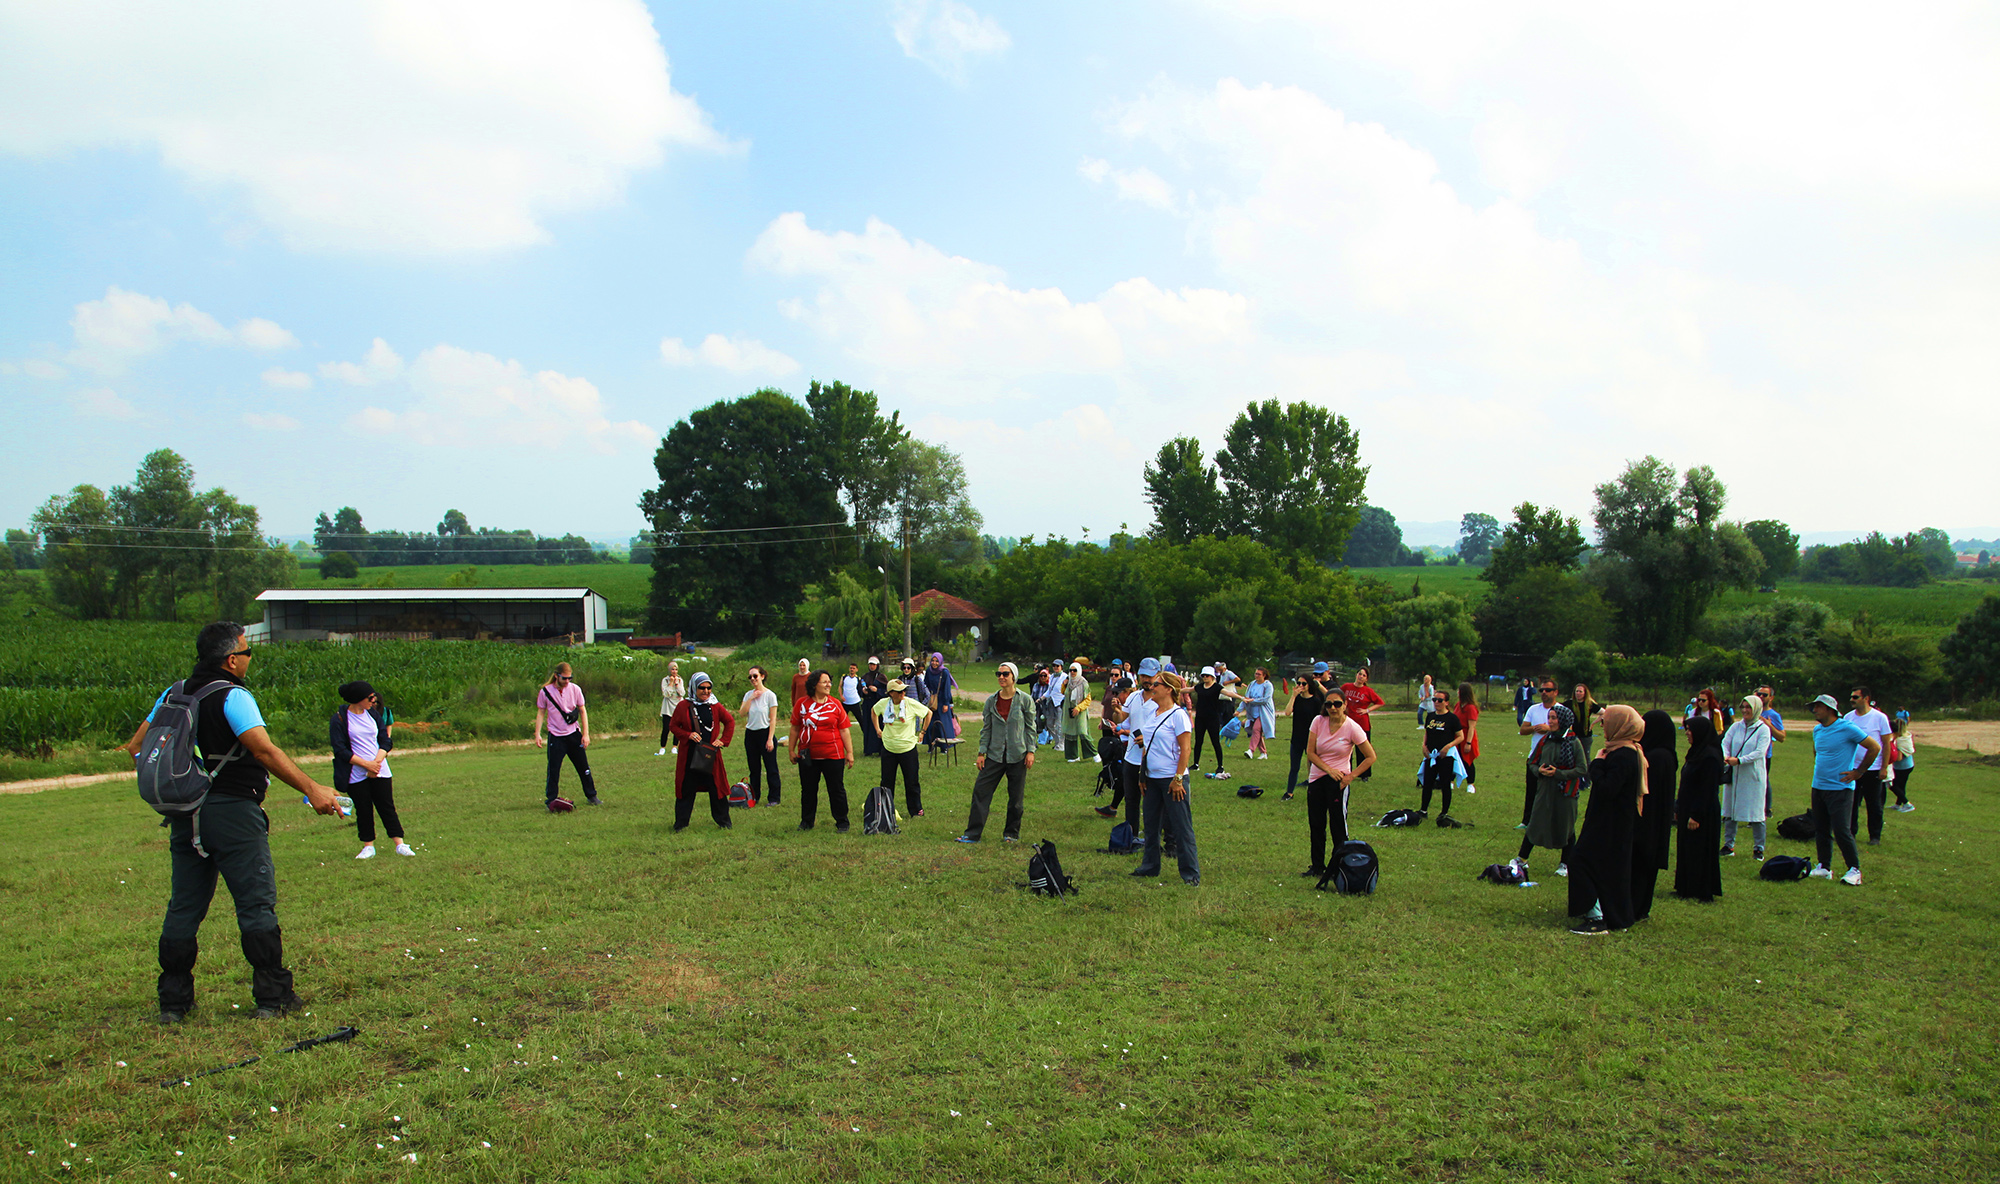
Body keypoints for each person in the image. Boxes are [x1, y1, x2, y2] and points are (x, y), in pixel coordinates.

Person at [121, 621, 339, 1023]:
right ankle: (273, 998)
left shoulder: (174, 692)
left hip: (186, 815)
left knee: (184, 906)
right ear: (232, 659)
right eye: (247, 651)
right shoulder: (233, 695)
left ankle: (174, 1003)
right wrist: (312, 789)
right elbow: (264, 751)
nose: (249, 658)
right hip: (233, 813)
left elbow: (137, 748)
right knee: (255, 903)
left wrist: (188, 781)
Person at [1567, 704, 1647, 935]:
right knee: (1610, 868)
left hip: (1609, 823)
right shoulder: (1624, 751)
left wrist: (1598, 764)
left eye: (1606, 722)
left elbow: (1608, 789)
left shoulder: (1624, 755)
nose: (1603, 727)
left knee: (1580, 861)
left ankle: (1597, 917)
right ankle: (1616, 916)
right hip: (1612, 821)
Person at [1129, 670, 1202, 886]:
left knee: (1181, 826)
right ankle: (1150, 866)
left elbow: (1185, 749)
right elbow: (1147, 747)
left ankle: (1190, 873)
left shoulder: (1179, 715)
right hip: (1152, 778)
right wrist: (1143, 774)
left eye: (1157, 684)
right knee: (1151, 825)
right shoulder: (1154, 713)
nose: (1152, 686)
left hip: (1172, 779)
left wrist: (1178, 778)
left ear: (1169, 689)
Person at [328, 680, 411, 860]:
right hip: (356, 772)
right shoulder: (340, 719)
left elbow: (385, 740)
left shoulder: (373, 715)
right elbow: (340, 749)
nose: (374, 701)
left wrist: (377, 762)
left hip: (380, 769)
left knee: (386, 806)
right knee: (363, 808)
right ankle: (368, 846)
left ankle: (400, 844)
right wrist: (366, 765)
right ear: (358, 699)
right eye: (370, 697)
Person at [958, 662, 1037, 843]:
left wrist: (1030, 751)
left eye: (1005, 674)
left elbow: (1031, 729)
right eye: (998, 674)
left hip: (1018, 755)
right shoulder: (991, 701)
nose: (1001, 677)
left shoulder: (1025, 700)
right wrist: (981, 753)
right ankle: (972, 834)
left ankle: (1011, 834)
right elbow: (986, 729)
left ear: (1013, 677)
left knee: (1015, 799)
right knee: (981, 791)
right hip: (994, 755)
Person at [1300, 693, 1377, 878]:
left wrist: (1350, 777)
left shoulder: (1352, 727)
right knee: (1316, 824)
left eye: (1337, 704)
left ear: (1345, 705)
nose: (1333, 708)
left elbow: (1370, 757)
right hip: (1318, 777)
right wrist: (1327, 769)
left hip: (1339, 782)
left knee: (1338, 825)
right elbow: (1310, 752)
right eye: (1329, 704)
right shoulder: (1318, 721)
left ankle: (1340, 866)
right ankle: (1317, 866)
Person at [1807, 693, 1877, 884]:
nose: (1814, 710)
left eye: (1817, 707)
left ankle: (1854, 870)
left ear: (1830, 709)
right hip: (1819, 786)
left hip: (1840, 788)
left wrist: (1859, 772)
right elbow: (1817, 752)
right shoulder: (1817, 730)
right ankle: (1824, 866)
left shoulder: (1847, 728)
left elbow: (1874, 747)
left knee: (1841, 830)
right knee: (1821, 829)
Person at [1507, 702, 1581, 881]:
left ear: (1563, 720)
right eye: (1549, 717)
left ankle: (1566, 863)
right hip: (1545, 789)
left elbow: (1582, 769)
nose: (1550, 721)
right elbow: (1532, 762)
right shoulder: (1545, 739)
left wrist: (1559, 773)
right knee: (1535, 821)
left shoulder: (1573, 742)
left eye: (1554, 718)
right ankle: (1522, 858)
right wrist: (1538, 770)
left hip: (1565, 792)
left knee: (1566, 827)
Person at [670, 672, 735, 831]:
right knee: (686, 790)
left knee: (717, 790)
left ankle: (724, 823)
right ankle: (681, 824)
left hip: (710, 755)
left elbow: (729, 721)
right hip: (689, 756)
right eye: (702, 688)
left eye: (708, 688)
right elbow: (673, 726)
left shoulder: (715, 705)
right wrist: (687, 735)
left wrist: (723, 740)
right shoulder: (683, 706)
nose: (706, 691)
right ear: (694, 687)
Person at [790, 671, 854, 831]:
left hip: (833, 754)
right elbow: (795, 728)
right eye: (824, 682)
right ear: (814, 685)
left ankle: (842, 822)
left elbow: (845, 730)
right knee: (808, 790)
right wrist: (791, 750)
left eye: (829, 682)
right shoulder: (801, 704)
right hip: (807, 754)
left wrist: (850, 753)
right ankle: (806, 822)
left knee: (836, 789)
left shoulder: (835, 704)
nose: (828, 685)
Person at [1631, 710, 1678, 923]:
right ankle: (1641, 908)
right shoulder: (1666, 754)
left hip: (1647, 820)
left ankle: (1636, 907)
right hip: (1656, 820)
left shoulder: (1657, 757)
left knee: (1640, 866)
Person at [1673, 713, 1725, 902]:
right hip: (1688, 807)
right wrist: (1679, 808)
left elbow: (1707, 790)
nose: (1687, 733)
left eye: (1690, 730)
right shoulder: (1696, 752)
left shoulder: (1710, 757)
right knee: (1686, 848)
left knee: (1700, 849)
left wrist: (1696, 815)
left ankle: (1701, 888)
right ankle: (1685, 886)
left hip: (1701, 811)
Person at [534, 662, 598, 809]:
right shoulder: (545, 692)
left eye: (570, 678)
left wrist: (586, 734)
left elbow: (582, 710)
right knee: (554, 769)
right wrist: (538, 734)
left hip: (574, 734)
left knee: (583, 767)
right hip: (556, 736)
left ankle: (592, 795)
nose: (567, 681)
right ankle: (551, 799)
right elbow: (541, 712)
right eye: (564, 678)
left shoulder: (575, 689)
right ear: (557, 676)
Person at [1720, 696, 1773, 860]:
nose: (1744, 710)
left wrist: (1740, 760)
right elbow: (1725, 743)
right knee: (1730, 809)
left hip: (1752, 776)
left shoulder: (1763, 729)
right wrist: (1726, 757)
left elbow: (1760, 752)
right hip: (1734, 773)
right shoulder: (1736, 727)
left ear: (1756, 708)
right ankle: (1729, 845)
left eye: (1748, 707)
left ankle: (1758, 848)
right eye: (1742, 707)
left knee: (1756, 812)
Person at [1844, 686, 1894, 845]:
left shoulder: (1879, 718)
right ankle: (1850, 833)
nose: (1852, 700)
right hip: (1853, 768)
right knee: (1851, 803)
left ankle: (1875, 836)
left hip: (1873, 769)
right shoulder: (1848, 717)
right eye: (1851, 697)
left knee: (1874, 805)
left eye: (1855, 697)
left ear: (1866, 698)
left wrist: (1884, 767)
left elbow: (1886, 744)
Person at [875, 677, 931, 817]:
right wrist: (878, 729)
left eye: (904, 691)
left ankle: (916, 810)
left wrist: (922, 732)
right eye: (899, 691)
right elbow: (873, 711)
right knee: (886, 782)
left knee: (912, 781)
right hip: (889, 748)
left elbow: (928, 713)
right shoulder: (883, 704)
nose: (902, 694)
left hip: (908, 749)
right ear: (890, 693)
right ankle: (886, 810)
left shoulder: (910, 704)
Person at [1283, 662, 1335, 800]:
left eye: (1303, 684)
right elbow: (1287, 712)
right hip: (1297, 738)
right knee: (1294, 767)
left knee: (1314, 767)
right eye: (1299, 683)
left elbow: (1322, 720)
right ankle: (1289, 793)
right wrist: (1293, 696)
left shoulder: (1316, 701)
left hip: (1311, 739)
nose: (1300, 686)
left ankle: (1315, 792)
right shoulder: (1297, 699)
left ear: (1309, 686)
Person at [1417, 689, 1466, 827]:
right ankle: (1423, 809)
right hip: (1431, 755)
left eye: (1440, 700)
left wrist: (1448, 746)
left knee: (1445, 783)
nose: (1436, 703)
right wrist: (1423, 745)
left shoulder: (1452, 718)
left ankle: (1443, 812)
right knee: (1427, 782)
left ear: (1446, 703)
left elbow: (1460, 736)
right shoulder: (1430, 716)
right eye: (1434, 700)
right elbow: (1427, 732)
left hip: (1445, 756)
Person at [1517, 679, 1559, 828]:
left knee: (1551, 791)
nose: (1544, 693)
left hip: (1554, 756)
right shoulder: (1533, 709)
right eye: (1542, 690)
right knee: (1531, 790)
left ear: (1556, 692)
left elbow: (1568, 732)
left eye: (1548, 690)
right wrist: (1535, 728)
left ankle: (1549, 822)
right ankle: (1526, 821)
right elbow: (1523, 730)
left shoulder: (1561, 710)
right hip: (1534, 756)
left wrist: (1548, 728)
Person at [738, 666, 782, 805]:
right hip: (751, 734)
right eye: (750, 677)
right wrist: (751, 698)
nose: (752, 679)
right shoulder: (748, 695)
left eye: (755, 676)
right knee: (754, 768)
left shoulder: (770, 695)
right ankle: (754, 796)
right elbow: (742, 713)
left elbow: (773, 719)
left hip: (765, 733)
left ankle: (774, 798)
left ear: (762, 676)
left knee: (771, 768)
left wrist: (770, 739)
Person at [1340, 666, 1385, 780]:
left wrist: (1368, 710)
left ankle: (1364, 774)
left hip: (1362, 723)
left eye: (1364, 675)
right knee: (1345, 748)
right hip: (1347, 722)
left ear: (1366, 679)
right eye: (1360, 674)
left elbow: (1380, 702)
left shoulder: (1368, 691)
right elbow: (1337, 696)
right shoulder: (1346, 687)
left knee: (1363, 750)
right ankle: (1345, 771)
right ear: (1356, 675)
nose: (1361, 676)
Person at [1188, 667, 1229, 779]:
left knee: (1215, 742)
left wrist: (1242, 698)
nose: (1205, 677)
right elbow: (1189, 689)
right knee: (1198, 742)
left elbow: (1227, 693)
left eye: (1207, 675)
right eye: (1203, 676)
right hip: (1200, 718)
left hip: (1212, 719)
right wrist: (1174, 690)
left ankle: (1220, 765)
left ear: (1212, 677)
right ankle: (1196, 764)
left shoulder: (1216, 687)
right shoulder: (1199, 687)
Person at [1757, 686, 1786, 819]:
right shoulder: (1753, 711)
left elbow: (1781, 737)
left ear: (1771, 698)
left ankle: (1766, 809)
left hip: (1764, 755)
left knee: (1763, 781)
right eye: (1759, 694)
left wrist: (1768, 724)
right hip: (1751, 753)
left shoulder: (1773, 715)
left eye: (1765, 695)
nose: (1761, 697)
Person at [923, 652, 960, 747]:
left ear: (940, 662)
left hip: (942, 701)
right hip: (932, 701)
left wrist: (946, 703)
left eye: (936, 661)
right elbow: (925, 685)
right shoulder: (929, 671)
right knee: (930, 724)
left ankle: (945, 747)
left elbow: (947, 688)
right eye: (932, 661)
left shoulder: (944, 672)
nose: (934, 663)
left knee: (943, 725)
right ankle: (930, 745)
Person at [1063, 660, 1097, 763]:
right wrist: (1064, 685)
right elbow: (1063, 693)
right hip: (1069, 711)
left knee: (1083, 732)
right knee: (1070, 732)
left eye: (1075, 670)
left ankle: (1094, 754)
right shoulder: (1068, 682)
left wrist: (1079, 708)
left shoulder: (1083, 683)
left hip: (1080, 711)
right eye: (1071, 670)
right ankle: (1073, 756)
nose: (1072, 672)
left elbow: (1087, 699)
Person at [1453, 680, 1481, 796]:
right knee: (1454, 759)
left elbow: (1471, 727)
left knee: (1467, 761)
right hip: (1457, 735)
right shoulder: (1458, 705)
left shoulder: (1471, 708)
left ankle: (1470, 784)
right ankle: (1451, 781)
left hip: (1466, 736)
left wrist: (1468, 742)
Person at [1241, 668, 1275, 761]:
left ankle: (1251, 750)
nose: (1256, 676)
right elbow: (1246, 697)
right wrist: (1239, 709)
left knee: (1256, 729)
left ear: (1264, 675)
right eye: (1255, 674)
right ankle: (1263, 752)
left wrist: (1253, 701)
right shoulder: (1252, 684)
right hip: (1253, 712)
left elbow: (1266, 699)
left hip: (1264, 712)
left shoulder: (1268, 685)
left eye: (1259, 674)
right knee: (1256, 732)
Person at [859, 657, 888, 758]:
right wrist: (863, 691)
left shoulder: (881, 677)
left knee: (878, 725)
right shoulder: (865, 676)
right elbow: (859, 689)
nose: (872, 666)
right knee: (867, 725)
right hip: (867, 704)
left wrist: (877, 690)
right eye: (870, 664)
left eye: (873, 664)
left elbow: (886, 692)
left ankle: (880, 749)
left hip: (878, 703)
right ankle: (868, 749)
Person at [655, 660, 685, 757]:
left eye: (676, 669)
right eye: (672, 669)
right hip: (668, 706)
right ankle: (662, 747)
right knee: (666, 728)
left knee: (677, 727)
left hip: (678, 705)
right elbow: (666, 694)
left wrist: (676, 684)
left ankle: (674, 747)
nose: (674, 671)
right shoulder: (665, 680)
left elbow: (682, 693)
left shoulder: (680, 680)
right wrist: (671, 683)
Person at [1889, 713, 1917, 813]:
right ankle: (1898, 804)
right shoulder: (1907, 736)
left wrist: (1889, 756)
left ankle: (1907, 803)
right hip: (1909, 765)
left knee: (1892, 785)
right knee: (1901, 785)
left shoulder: (1900, 740)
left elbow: (1899, 758)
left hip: (1902, 767)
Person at [1570, 683, 1603, 752]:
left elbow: (1604, 713)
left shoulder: (1589, 704)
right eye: (1577, 691)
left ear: (1585, 693)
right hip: (1572, 735)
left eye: (1580, 691)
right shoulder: (1569, 703)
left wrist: (1593, 723)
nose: (1578, 693)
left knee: (1585, 757)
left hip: (1585, 735)